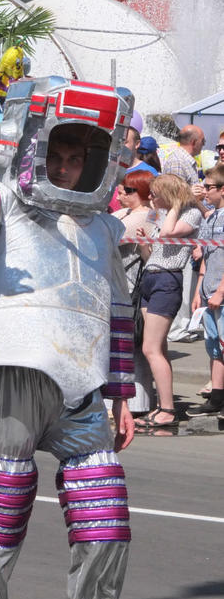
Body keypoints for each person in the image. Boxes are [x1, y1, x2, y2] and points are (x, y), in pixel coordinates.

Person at [0, 74, 136, 599]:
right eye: (58, 153)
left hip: (83, 387)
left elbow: (118, 314)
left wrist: (123, 394)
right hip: (15, 374)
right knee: (0, 496)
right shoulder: (0, 207)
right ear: (35, 149)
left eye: (80, 157)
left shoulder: (104, 228)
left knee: (104, 511)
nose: (70, 167)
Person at [133, 174, 202, 429]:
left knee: (151, 349)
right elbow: (150, 252)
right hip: (151, 276)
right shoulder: (160, 213)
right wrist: (144, 242)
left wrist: (174, 205)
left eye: (156, 193)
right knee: (156, 348)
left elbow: (171, 233)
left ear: (169, 193)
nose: (152, 198)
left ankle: (167, 410)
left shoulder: (189, 212)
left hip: (167, 281)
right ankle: (163, 405)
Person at [112, 170, 156, 417]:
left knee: (132, 344)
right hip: (119, 285)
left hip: (131, 286)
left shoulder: (146, 215)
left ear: (140, 192)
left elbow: (110, 234)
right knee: (123, 343)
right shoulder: (126, 213)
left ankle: (137, 401)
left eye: (127, 190)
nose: (121, 194)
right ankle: (119, 399)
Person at [188, 165, 224, 417]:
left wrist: (221, 291)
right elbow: (205, 257)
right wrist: (198, 290)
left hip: (221, 294)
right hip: (208, 292)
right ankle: (217, 397)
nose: (205, 190)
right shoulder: (210, 217)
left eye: (209, 186)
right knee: (214, 348)